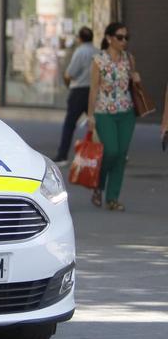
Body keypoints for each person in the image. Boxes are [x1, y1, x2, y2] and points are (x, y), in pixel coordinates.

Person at [87, 21, 141, 211]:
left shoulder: (129, 58)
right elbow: (93, 89)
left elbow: (134, 85)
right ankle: (98, 185)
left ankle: (112, 198)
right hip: (104, 113)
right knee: (111, 151)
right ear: (109, 39)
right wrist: (90, 116)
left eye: (126, 37)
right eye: (120, 37)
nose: (124, 41)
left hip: (126, 113)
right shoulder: (98, 60)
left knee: (121, 155)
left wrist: (137, 79)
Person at [54, 27, 97, 165]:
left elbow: (70, 73)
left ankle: (62, 155)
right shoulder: (98, 51)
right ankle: (105, 152)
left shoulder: (80, 52)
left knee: (69, 124)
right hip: (94, 90)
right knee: (97, 123)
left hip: (79, 90)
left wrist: (67, 84)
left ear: (80, 38)